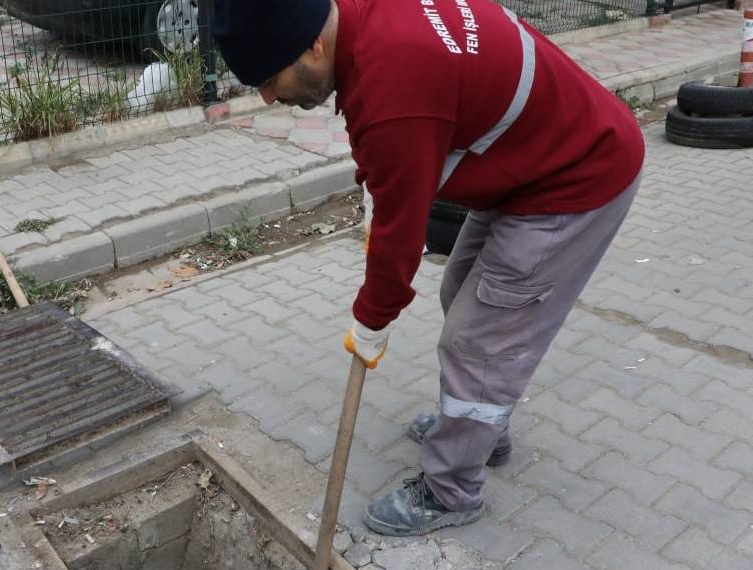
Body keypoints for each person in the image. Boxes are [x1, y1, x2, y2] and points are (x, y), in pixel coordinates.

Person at [211, 0, 645, 536]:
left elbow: (401, 234)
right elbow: (391, 141)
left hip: (577, 177)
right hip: (531, 163)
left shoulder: (395, 81)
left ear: (312, 46)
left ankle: (451, 490)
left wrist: (371, 321)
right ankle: (482, 429)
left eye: (269, 78)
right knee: (461, 292)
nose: (268, 96)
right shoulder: (365, 21)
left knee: (479, 340)